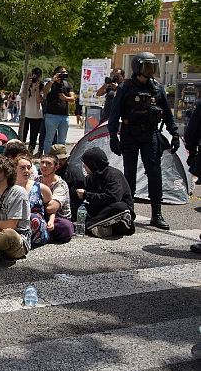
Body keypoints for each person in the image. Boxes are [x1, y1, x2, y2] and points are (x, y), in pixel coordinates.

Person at [107, 52, 179, 230]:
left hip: (150, 135)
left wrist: (175, 134)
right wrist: (113, 136)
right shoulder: (125, 88)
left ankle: (156, 214)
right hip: (130, 134)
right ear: (137, 67)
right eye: (148, 66)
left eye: (153, 66)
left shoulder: (157, 88)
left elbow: (168, 116)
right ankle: (129, 212)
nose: (151, 70)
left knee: (154, 173)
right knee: (129, 173)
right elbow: (114, 114)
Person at [77, 147, 135, 237]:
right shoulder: (90, 178)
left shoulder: (114, 175)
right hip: (101, 214)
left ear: (93, 164)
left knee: (121, 207)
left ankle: (88, 226)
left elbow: (113, 197)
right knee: (80, 207)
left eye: (86, 164)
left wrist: (86, 195)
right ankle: (104, 229)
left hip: (119, 217)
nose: (84, 167)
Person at [13, 154, 50, 249]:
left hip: (34, 224)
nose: (26, 170)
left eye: (28, 168)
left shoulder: (41, 188)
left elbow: (50, 205)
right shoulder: (9, 187)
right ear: (14, 169)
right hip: (14, 221)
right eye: (22, 168)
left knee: (32, 218)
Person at [38, 154, 75, 243]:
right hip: (40, 216)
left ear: (56, 167)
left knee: (66, 227)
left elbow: (51, 208)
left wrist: (37, 202)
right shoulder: (36, 180)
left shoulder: (60, 185)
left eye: (48, 163)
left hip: (58, 218)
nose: (44, 166)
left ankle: (42, 234)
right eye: (42, 162)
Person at [42, 66, 75, 154]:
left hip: (64, 116)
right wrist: (52, 80)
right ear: (56, 73)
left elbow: (72, 99)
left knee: (62, 140)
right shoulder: (50, 83)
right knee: (49, 139)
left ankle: (60, 158)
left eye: (65, 72)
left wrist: (65, 98)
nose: (64, 74)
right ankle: (47, 157)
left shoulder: (68, 84)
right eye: (62, 72)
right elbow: (44, 92)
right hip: (51, 115)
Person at [19, 68, 44, 153]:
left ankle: (30, 152)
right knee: (23, 135)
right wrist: (27, 85)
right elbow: (22, 96)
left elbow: (38, 100)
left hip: (36, 114)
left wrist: (37, 88)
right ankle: (21, 152)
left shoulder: (42, 85)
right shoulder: (25, 83)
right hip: (25, 113)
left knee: (33, 136)